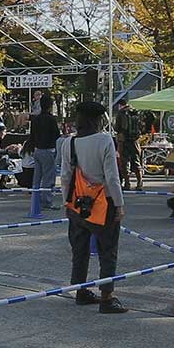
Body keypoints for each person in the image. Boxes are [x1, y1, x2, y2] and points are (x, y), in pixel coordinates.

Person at [60, 101, 127, 314]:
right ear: (98, 119)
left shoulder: (68, 143)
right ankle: (107, 297)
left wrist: (65, 202)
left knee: (79, 251)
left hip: (77, 205)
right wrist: (119, 204)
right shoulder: (105, 140)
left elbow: (65, 177)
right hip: (102, 205)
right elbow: (112, 177)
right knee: (108, 250)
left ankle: (80, 291)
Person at [31, 94, 61, 209]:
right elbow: (56, 135)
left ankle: (35, 200)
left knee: (37, 177)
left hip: (37, 149)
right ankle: (46, 201)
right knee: (48, 177)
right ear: (50, 106)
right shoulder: (51, 119)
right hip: (48, 150)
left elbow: (32, 135)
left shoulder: (36, 119)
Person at [114, 97, 144, 191]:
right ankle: (140, 182)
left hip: (124, 140)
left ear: (120, 105)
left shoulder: (121, 113)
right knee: (136, 161)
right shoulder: (136, 112)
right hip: (135, 141)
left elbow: (117, 127)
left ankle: (127, 183)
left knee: (124, 162)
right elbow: (141, 126)